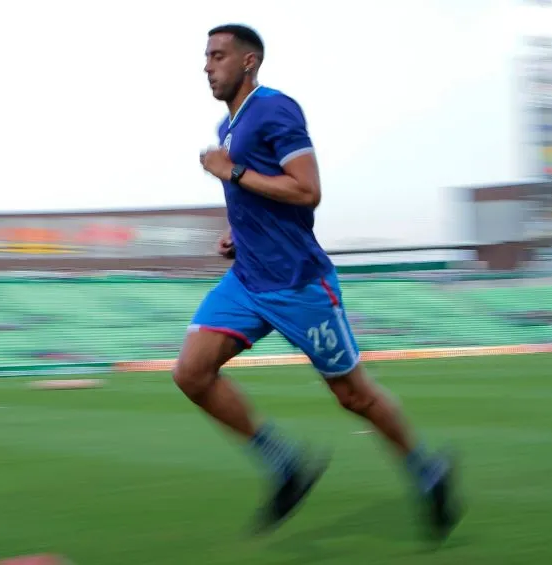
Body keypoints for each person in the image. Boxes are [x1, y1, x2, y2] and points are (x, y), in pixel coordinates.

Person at [173, 23, 463, 540]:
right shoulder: (228, 127)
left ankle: (427, 470)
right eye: (205, 55)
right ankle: (285, 465)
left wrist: (232, 173)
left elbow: (307, 191)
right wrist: (237, 235)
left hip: (299, 284)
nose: (206, 65)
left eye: (217, 55)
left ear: (248, 62)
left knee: (354, 397)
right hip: (248, 281)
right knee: (191, 373)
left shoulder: (275, 109)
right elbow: (261, 197)